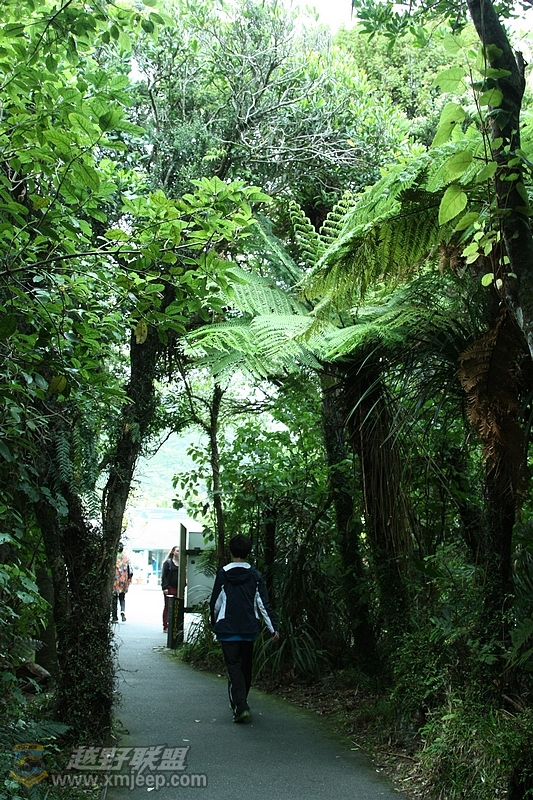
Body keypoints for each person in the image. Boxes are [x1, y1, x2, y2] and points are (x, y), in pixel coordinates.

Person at [209, 534, 279, 724]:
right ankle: (241, 703)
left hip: (227, 629)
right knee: (245, 669)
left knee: (234, 669)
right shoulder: (254, 575)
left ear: (230, 551)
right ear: (248, 552)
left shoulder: (223, 574)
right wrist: (273, 628)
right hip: (248, 629)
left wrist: (214, 622)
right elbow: (263, 603)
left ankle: (240, 706)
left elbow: (215, 603)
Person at [112, 543, 133, 622]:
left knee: (114, 598)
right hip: (123, 580)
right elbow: (130, 570)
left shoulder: (113, 557)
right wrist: (129, 579)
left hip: (115, 580)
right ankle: (122, 611)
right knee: (122, 597)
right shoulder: (126, 557)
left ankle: (114, 616)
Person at [161, 545, 179, 633]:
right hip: (170, 587)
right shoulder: (168, 563)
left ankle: (175, 625)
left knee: (177, 606)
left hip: (178, 588)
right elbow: (164, 575)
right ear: (173, 552)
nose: (179, 553)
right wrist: (165, 587)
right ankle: (166, 625)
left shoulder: (182, 563)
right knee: (168, 606)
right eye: (177, 551)